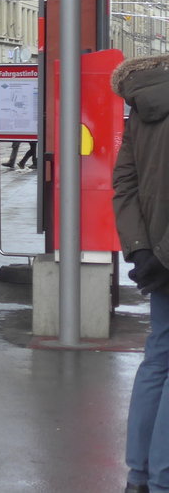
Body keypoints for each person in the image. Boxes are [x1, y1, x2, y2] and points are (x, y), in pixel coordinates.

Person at [111, 54, 169, 493]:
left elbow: (125, 185)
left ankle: (140, 476)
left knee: (158, 359)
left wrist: (141, 250)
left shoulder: (140, 109)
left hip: (156, 256)